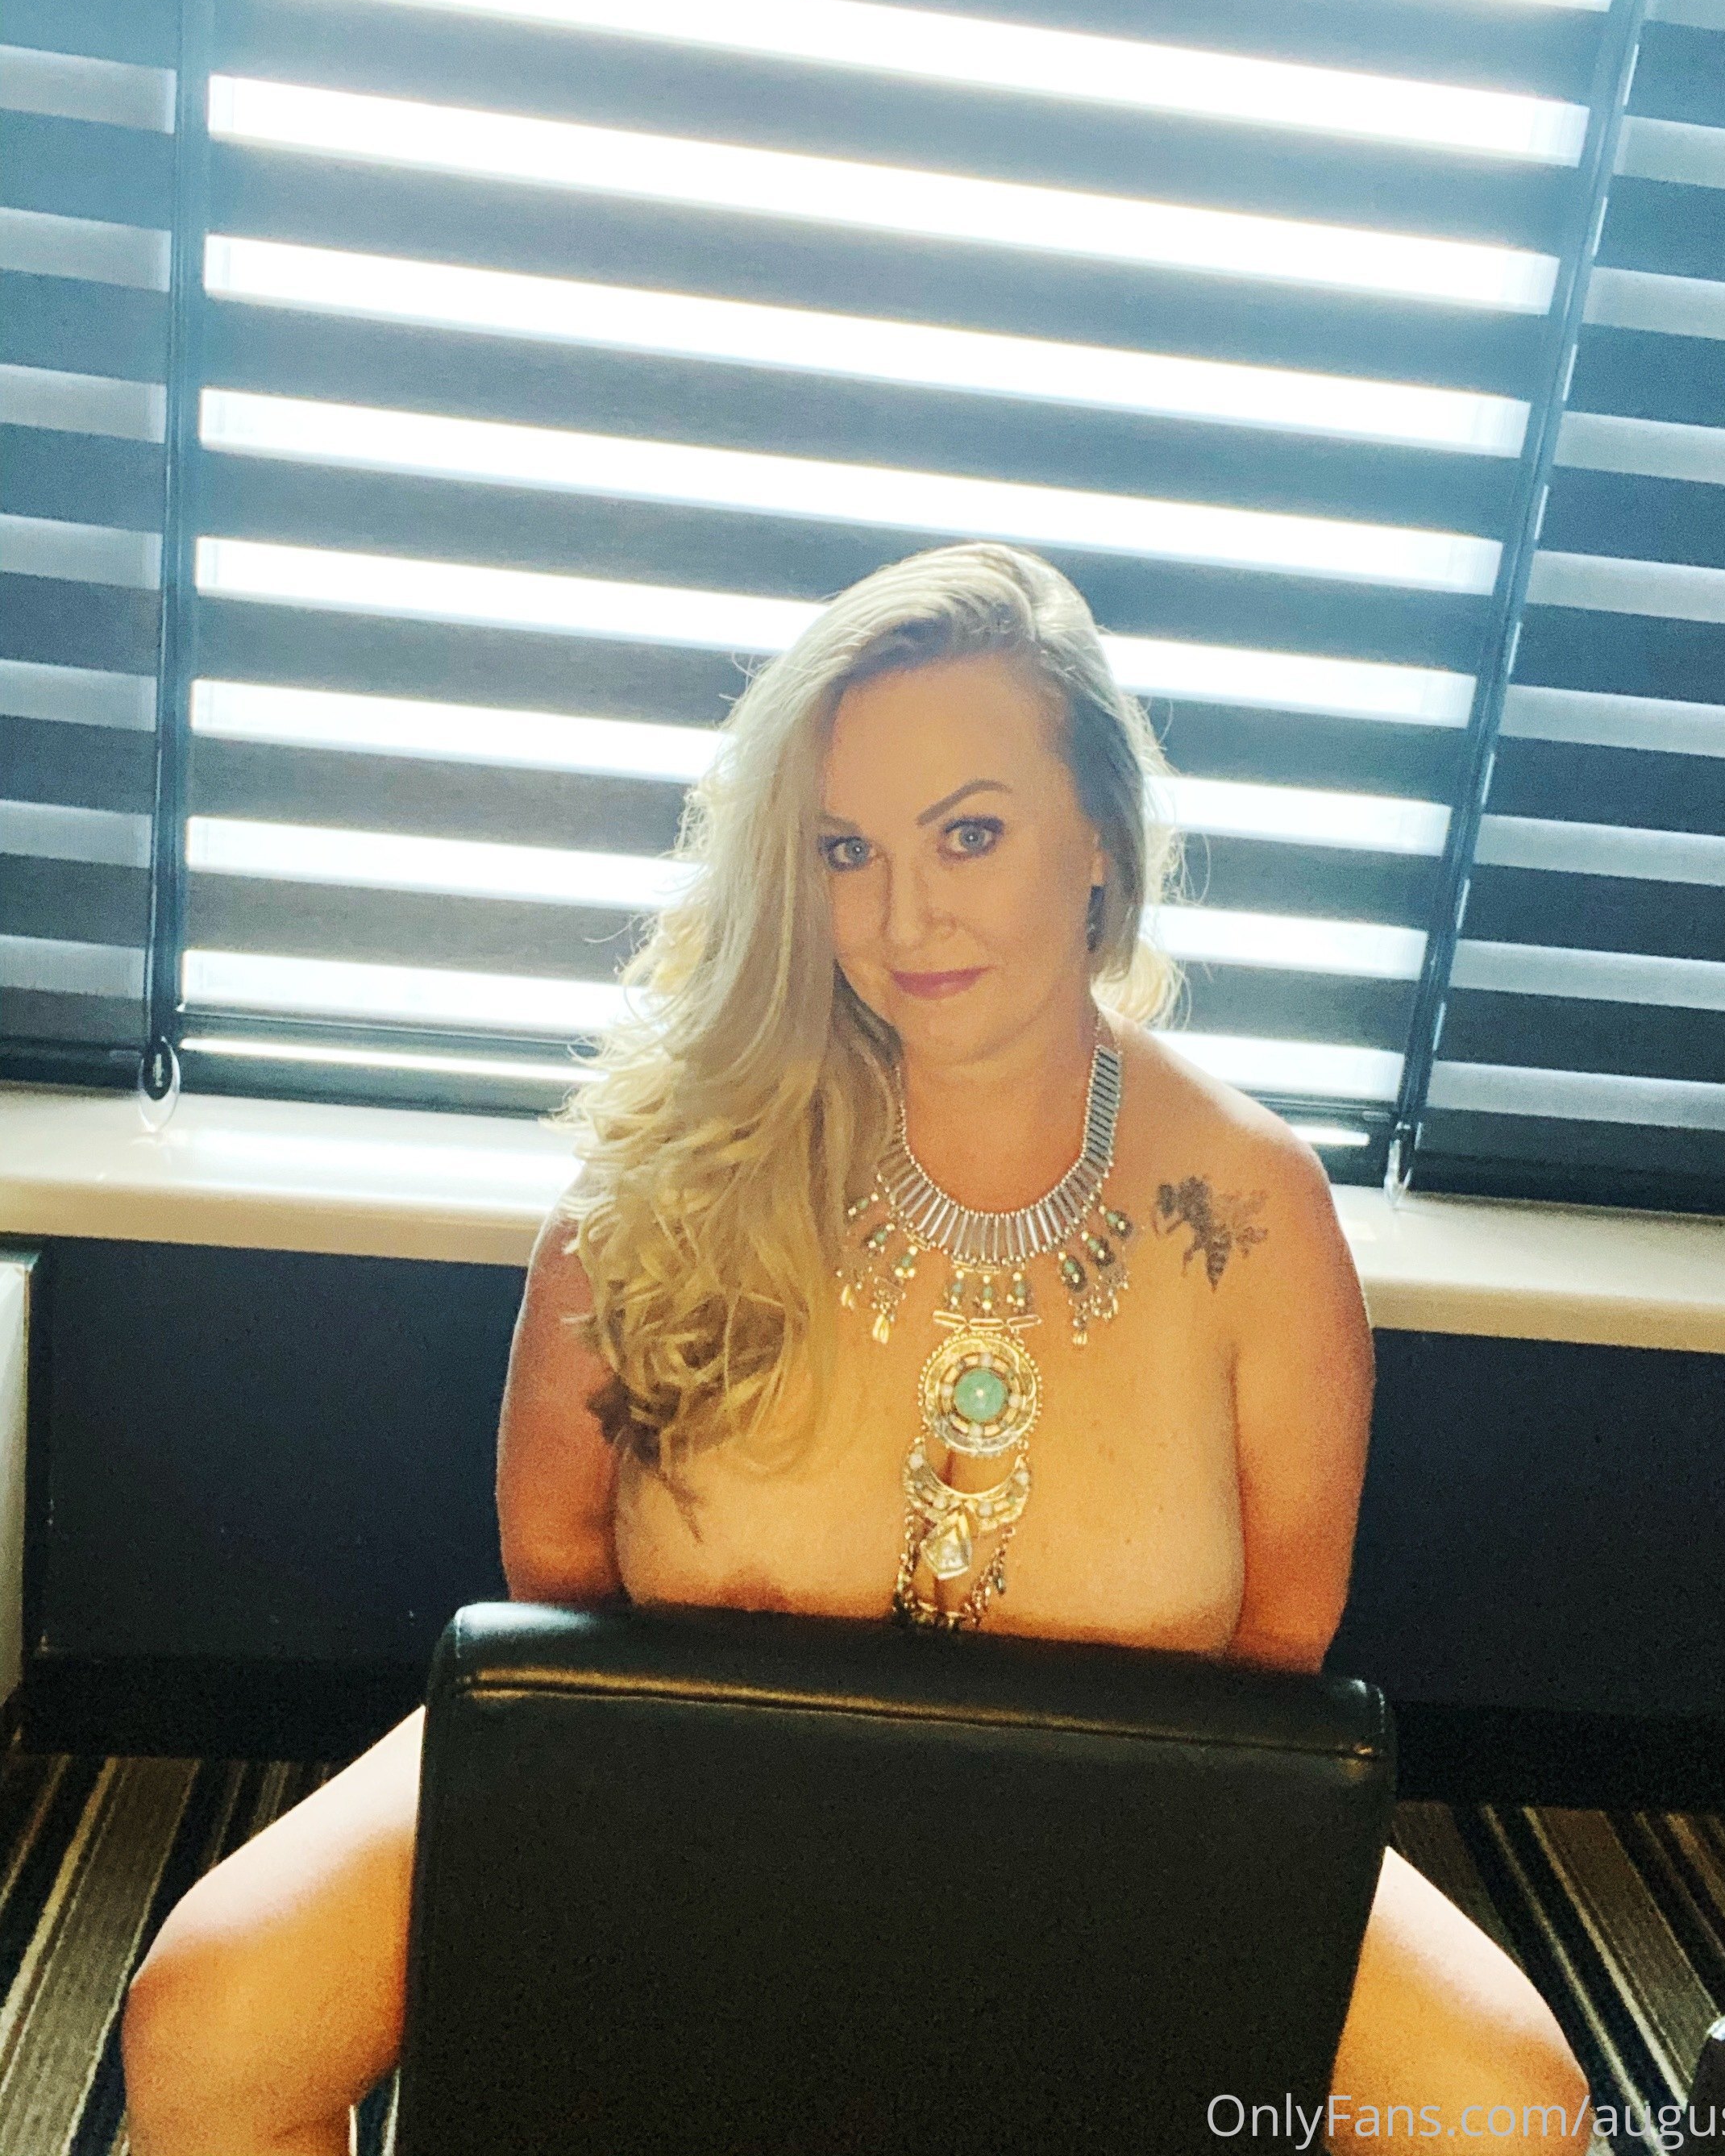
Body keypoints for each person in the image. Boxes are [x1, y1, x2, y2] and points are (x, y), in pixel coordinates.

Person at [121, 542, 1594, 2155]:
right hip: (685, 1811)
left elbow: (1279, 1667)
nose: (904, 915)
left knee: (1508, 2109)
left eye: (970, 832)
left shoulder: (1254, 1209)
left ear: (1099, 838)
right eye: (845, 849)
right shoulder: (676, 1163)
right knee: (211, 2011)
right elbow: (556, 1582)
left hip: (1114, 1844)